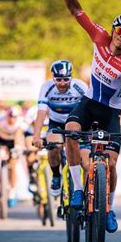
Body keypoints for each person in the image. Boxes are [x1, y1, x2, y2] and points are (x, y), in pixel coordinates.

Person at [53, 0, 121, 233]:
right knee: (71, 132)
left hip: (111, 112)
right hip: (88, 102)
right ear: (114, 29)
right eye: (119, 30)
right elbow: (76, 11)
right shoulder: (99, 36)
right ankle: (79, 190)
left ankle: (110, 207)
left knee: (113, 163)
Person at [32, 60, 88, 197]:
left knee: (86, 162)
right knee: (54, 145)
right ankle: (56, 176)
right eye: (58, 79)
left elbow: (89, 109)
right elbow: (41, 112)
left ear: (71, 77)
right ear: (53, 78)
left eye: (66, 79)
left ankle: (85, 196)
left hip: (77, 123)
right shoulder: (46, 87)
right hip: (56, 123)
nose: (62, 83)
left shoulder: (80, 86)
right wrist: (36, 135)